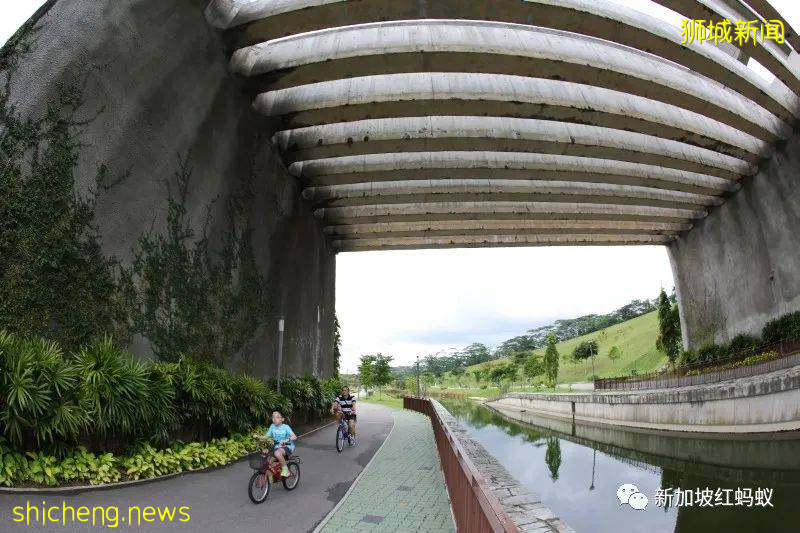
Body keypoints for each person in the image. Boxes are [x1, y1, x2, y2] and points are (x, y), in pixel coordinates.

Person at [266, 409, 296, 477]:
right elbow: (267, 436)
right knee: (268, 464)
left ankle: (286, 470)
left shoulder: (286, 427)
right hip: (277, 447)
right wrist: (260, 438)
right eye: (273, 417)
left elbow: (294, 437)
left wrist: (286, 440)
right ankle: (270, 480)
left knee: (277, 453)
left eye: (277, 417)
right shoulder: (272, 426)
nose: (274, 419)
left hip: (287, 446)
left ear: (282, 419)